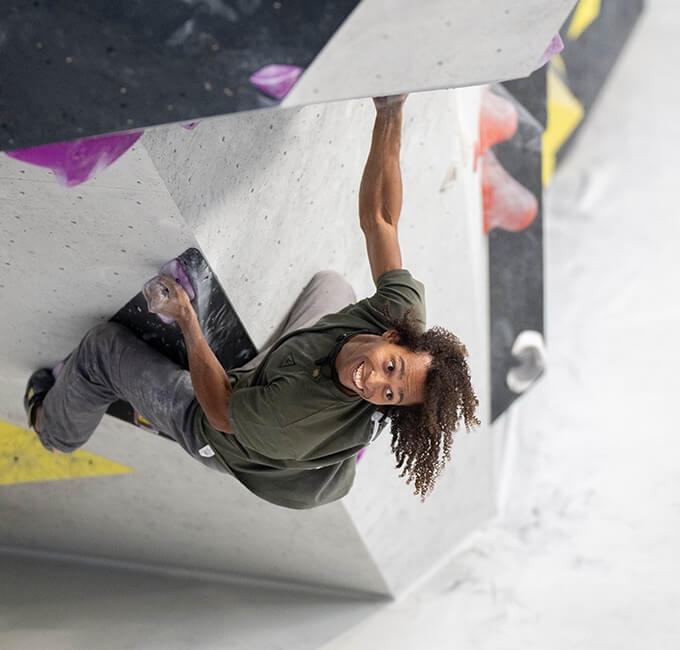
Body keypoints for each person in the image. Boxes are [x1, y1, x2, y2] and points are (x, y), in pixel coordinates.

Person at [23, 95, 480, 509]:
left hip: (222, 432)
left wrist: (187, 318)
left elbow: (220, 407)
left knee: (103, 351)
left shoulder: (288, 421)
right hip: (287, 406)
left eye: (388, 397)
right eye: (392, 369)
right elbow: (381, 219)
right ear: (394, 332)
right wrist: (390, 111)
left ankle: (52, 426)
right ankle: (332, 436)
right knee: (334, 286)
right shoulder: (400, 307)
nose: (373, 381)